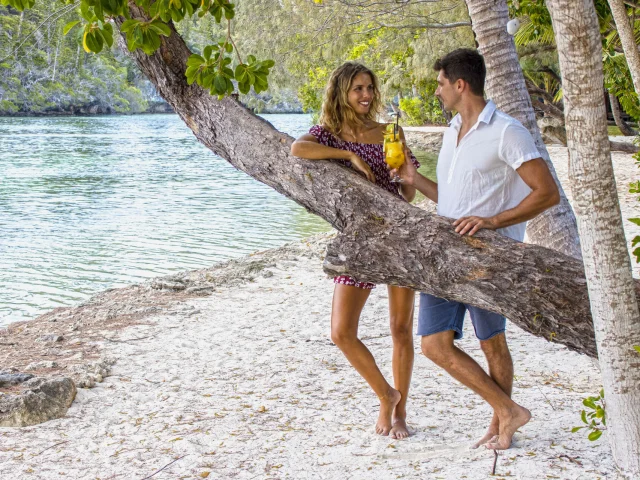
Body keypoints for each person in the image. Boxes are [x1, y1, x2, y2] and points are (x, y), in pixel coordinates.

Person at [392, 48, 560, 450]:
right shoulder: (452, 130)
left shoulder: (507, 131)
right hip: (444, 255)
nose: (437, 91)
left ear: (460, 84)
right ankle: (508, 410)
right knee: (433, 344)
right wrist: (416, 179)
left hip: (490, 257)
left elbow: (547, 193)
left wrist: (493, 221)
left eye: (440, 84)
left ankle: (501, 423)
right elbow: (452, 201)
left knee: (492, 343)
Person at [291, 62, 420, 439]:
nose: (365, 95)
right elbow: (298, 148)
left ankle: (401, 413)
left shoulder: (390, 132)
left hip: (399, 236)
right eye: (357, 89)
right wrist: (348, 157)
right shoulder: (329, 135)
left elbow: (408, 195)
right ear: (341, 93)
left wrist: (406, 177)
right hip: (360, 241)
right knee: (342, 332)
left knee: (400, 329)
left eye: (368, 88)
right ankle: (387, 395)